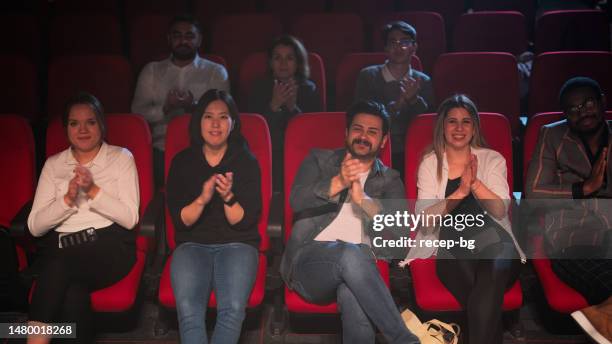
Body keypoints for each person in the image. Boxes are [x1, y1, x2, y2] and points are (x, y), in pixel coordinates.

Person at [280, 100, 420, 344]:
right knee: (348, 251)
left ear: (383, 141)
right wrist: (338, 182)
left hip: (360, 271)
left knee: (354, 297)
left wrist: (365, 202)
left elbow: (400, 242)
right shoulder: (319, 160)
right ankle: (404, 340)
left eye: (372, 131)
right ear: (346, 133)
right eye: (358, 129)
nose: (363, 136)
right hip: (310, 264)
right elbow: (296, 200)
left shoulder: (390, 180)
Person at [403, 94, 526, 344]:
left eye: (466, 122)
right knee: (485, 302)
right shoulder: (430, 163)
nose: (459, 128)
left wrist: (475, 183)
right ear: (442, 126)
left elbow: (500, 210)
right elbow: (425, 220)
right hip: (453, 247)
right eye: (452, 121)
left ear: (474, 127)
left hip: (497, 244)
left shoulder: (492, 159)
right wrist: (460, 192)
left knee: (492, 270)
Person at [27, 92, 139, 343]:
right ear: (66, 129)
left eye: (90, 121)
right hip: (62, 245)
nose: (83, 129)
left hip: (108, 246)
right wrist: (66, 200)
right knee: (72, 295)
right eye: (74, 123)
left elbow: (130, 218)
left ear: (101, 124)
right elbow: (34, 227)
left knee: (56, 267)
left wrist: (92, 190)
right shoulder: (54, 164)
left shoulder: (121, 158)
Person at [166, 89, 261, 344]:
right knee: (189, 314)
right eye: (208, 117)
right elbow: (181, 220)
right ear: (199, 123)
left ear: (233, 123)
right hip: (192, 245)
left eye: (223, 117)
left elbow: (241, 221)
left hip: (238, 245)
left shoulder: (246, 161)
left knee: (231, 311)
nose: (215, 124)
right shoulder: (182, 162)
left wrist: (228, 196)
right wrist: (203, 199)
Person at [525, 77, 612, 344]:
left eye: (587, 103)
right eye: (573, 109)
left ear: (601, 102)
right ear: (565, 114)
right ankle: (598, 320)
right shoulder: (552, 135)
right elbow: (533, 192)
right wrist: (583, 189)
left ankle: (601, 318)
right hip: (574, 235)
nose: (582, 112)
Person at [131, 14, 229, 187]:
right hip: (160, 149)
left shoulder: (215, 71)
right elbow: (137, 114)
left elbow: (226, 114)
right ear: (169, 39)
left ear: (199, 40)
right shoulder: (152, 70)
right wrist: (166, 108)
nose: (183, 41)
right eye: (177, 36)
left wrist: (194, 107)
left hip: (204, 149)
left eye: (189, 36)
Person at [355, 20, 433, 175]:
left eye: (404, 42)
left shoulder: (423, 81)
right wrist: (397, 105)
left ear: (414, 48)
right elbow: (361, 118)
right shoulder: (368, 76)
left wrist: (413, 100)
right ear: (385, 48)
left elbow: (429, 124)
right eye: (393, 42)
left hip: (413, 149)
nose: (398, 47)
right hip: (374, 148)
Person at [248, 34, 321, 191]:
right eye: (277, 58)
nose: (283, 63)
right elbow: (252, 135)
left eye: (289, 58)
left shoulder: (309, 89)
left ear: (298, 63)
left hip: (301, 154)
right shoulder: (257, 88)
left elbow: (315, 134)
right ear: (270, 63)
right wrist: (273, 106)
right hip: (268, 153)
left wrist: (293, 108)